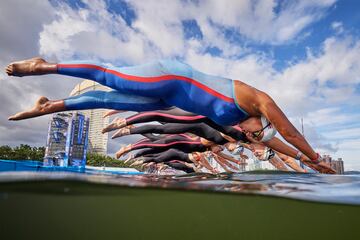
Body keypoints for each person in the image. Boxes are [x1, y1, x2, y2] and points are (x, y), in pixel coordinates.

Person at [5, 57, 334, 173]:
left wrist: (307, 163)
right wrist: (316, 155)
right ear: (261, 121)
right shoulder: (259, 100)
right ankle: (43, 65)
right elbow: (289, 134)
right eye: (257, 133)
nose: (250, 136)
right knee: (106, 76)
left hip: (164, 100)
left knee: (111, 101)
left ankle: (49, 106)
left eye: (253, 138)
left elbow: (280, 146)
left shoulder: (241, 125)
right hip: (171, 77)